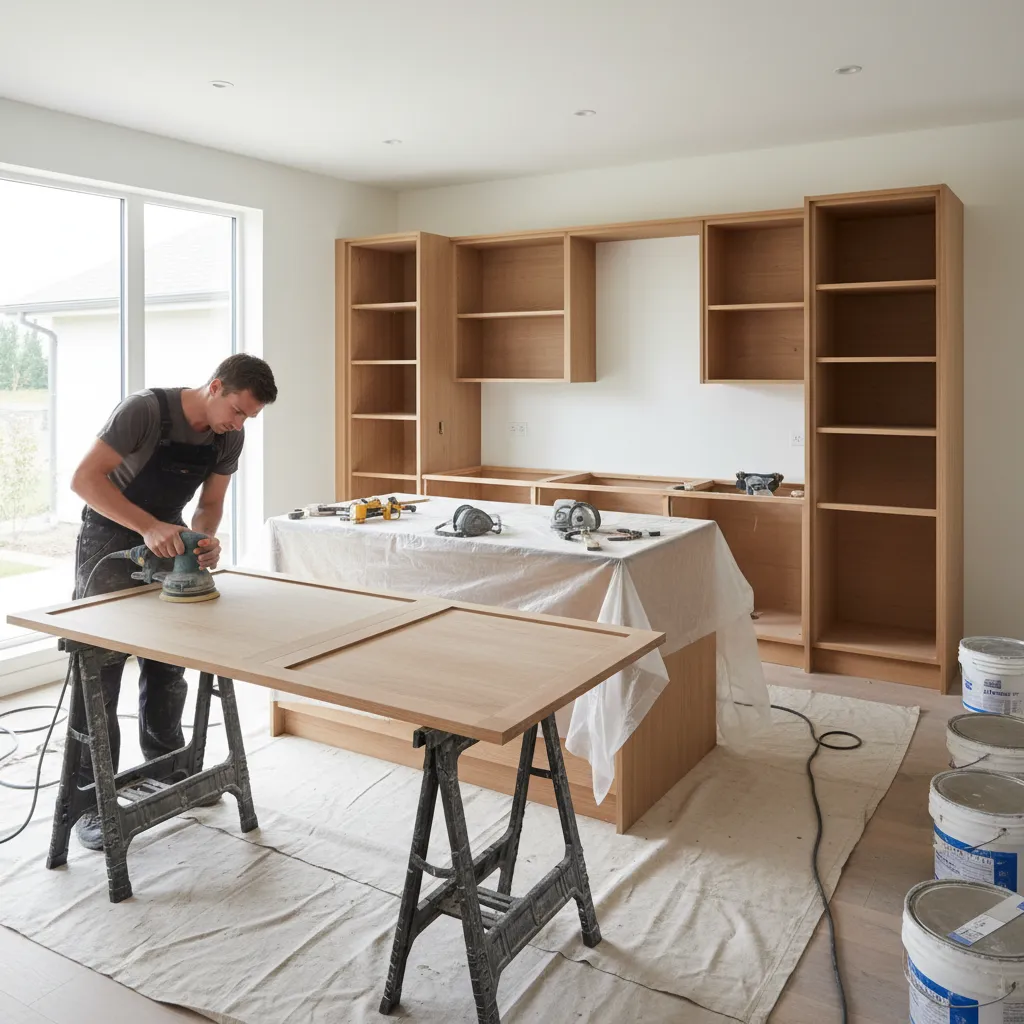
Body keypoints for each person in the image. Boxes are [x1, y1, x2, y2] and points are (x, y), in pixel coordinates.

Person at [69, 353, 277, 850]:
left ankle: (167, 764)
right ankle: (89, 803)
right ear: (215, 385)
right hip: (109, 541)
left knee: (167, 661)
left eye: (249, 416)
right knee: (101, 668)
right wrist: (147, 527)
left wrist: (202, 542)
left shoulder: (229, 436)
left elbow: (208, 505)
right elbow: (84, 480)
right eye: (238, 410)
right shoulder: (144, 411)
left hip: (168, 537)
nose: (240, 422)